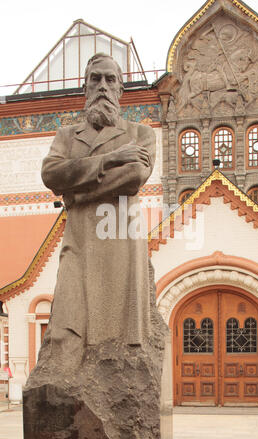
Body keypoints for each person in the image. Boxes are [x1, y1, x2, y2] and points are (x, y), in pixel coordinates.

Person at [41, 53, 156, 361]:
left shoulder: (140, 133)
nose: (102, 86)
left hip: (119, 239)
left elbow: (135, 176)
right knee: (65, 325)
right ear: (85, 88)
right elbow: (51, 173)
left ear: (120, 89)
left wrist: (75, 195)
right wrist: (110, 159)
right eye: (96, 79)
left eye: (110, 79)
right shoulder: (67, 136)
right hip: (78, 240)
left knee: (117, 337)